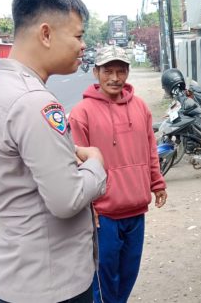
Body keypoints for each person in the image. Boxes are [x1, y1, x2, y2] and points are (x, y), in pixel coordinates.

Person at [0, 0, 107, 303]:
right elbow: (67, 199)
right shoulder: (34, 102)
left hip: (18, 275)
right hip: (50, 284)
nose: (83, 45)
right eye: (78, 35)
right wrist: (98, 164)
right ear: (45, 34)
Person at [69, 46, 167, 303]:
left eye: (120, 71)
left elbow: (150, 149)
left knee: (128, 273)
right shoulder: (82, 112)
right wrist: (89, 204)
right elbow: (76, 162)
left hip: (136, 208)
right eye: (108, 71)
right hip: (105, 214)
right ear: (95, 73)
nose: (115, 78)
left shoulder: (141, 107)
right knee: (103, 278)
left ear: (127, 72)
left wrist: (157, 182)